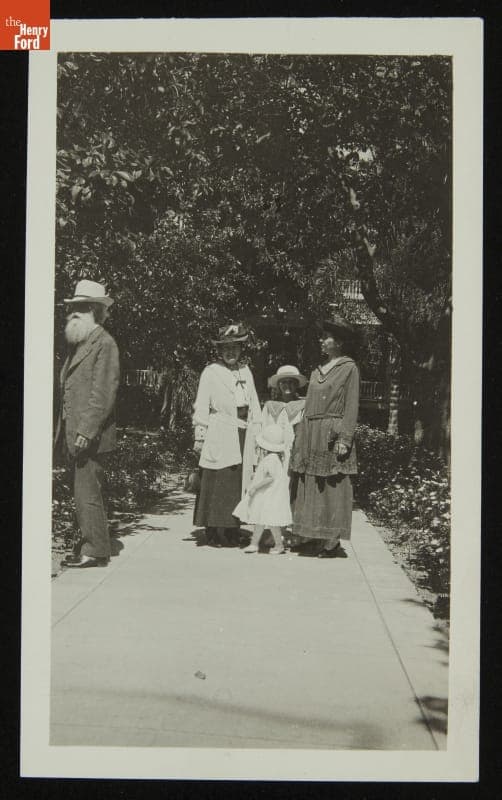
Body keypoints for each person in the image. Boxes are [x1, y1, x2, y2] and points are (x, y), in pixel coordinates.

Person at [55, 279, 120, 568]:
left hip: (89, 436)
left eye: (79, 308)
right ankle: (89, 544)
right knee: (82, 492)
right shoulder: (81, 344)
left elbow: (103, 394)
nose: (72, 314)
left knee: (88, 492)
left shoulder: (104, 344)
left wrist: (85, 431)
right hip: (74, 434)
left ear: (94, 310)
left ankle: (96, 551)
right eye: (72, 308)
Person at [290, 316, 360, 558]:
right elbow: (308, 405)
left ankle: (331, 542)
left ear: (338, 342)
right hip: (311, 432)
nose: (321, 341)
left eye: (325, 337)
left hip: (332, 433)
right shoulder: (317, 370)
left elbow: (351, 406)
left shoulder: (349, 368)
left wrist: (345, 438)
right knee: (310, 484)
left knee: (332, 485)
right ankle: (311, 535)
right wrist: (301, 434)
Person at [192, 323, 261, 547]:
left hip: (243, 431)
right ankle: (212, 530)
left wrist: (258, 431)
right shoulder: (211, 372)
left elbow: (254, 403)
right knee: (217, 480)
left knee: (237, 483)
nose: (231, 352)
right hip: (219, 431)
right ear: (219, 351)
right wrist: (200, 435)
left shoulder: (246, 371)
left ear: (241, 349)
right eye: (226, 348)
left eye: (235, 347)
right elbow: (202, 405)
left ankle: (232, 529)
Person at [234, 424, 291, 555]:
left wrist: (255, 486)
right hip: (268, 494)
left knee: (272, 522)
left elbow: (270, 477)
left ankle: (279, 545)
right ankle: (254, 543)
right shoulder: (274, 458)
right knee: (260, 520)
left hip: (270, 495)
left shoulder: (270, 459)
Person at [261, 365, 307, 471]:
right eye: (283, 382)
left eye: (291, 382)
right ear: (278, 385)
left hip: (294, 450)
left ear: (297, 385)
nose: (287, 385)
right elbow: (263, 429)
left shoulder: (302, 406)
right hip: (272, 450)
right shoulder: (270, 406)